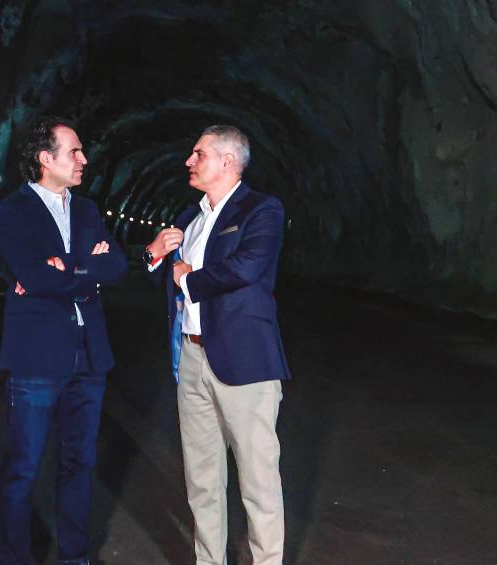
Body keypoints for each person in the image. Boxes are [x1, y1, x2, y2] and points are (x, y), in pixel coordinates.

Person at [144, 125, 291, 564]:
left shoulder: (262, 210)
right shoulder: (189, 218)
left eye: (198, 153)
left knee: (258, 479)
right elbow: (169, 281)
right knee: (202, 479)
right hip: (191, 358)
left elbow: (247, 268)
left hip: (245, 360)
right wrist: (154, 257)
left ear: (228, 160)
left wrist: (187, 276)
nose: (189, 161)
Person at [0, 116, 127, 565]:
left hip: (90, 360)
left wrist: (65, 270)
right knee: (23, 468)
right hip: (35, 360)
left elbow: (117, 266)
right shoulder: (13, 210)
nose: (84, 159)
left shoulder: (88, 210)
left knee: (79, 465)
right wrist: (83, 270)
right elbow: (31, 274)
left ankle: (75, 557)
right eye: (74, 151)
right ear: (44, 159)